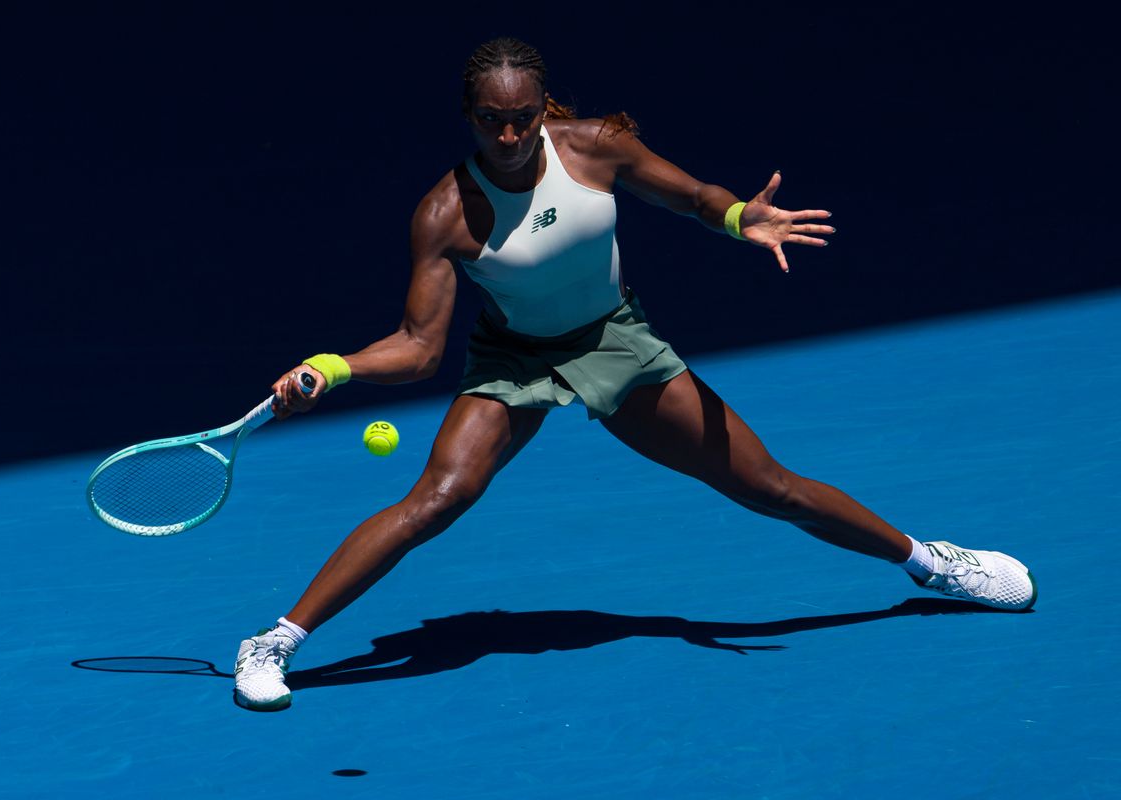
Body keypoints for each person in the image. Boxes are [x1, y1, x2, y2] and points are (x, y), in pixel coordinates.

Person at [232, 37, 1036, 712]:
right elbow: (417, 346)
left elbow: (690, 194)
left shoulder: (593, 148)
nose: (508, 138)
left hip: (614, 339)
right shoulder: (445, 213)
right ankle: (274, 641)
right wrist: (330, 369)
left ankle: (931, 564)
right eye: (491, 122)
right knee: (436, 500)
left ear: (541, 110)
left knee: (766, 485)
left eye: (521, 120)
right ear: (468, 117)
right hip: (515, 359)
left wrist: (736, 218)